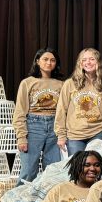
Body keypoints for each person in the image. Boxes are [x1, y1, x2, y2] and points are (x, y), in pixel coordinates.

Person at [13, 48, 65, 181]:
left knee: (52, 171)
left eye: (52, 60)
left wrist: (62, 133)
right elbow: (20, 111)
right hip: (33, 126)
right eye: (45, 59)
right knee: (29, 171)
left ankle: (48, 201)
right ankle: (20, 201)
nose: (49, 63)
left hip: (54, 127)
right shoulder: (28, 82)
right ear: (37, 61)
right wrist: (21, 137)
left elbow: (64, 111)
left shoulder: (61, 85)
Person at [55, 48, 102, 156]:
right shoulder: (70, 84)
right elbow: (61, 110)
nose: (88, 62)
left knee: (96, 168)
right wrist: (61, 135)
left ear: (98, 62)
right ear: (80, 64)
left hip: (97, 133)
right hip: (75, 135)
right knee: (78, 169)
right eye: (84, 60)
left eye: (92, 59)